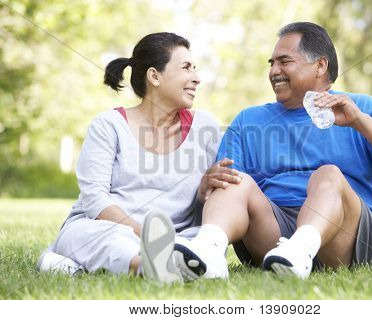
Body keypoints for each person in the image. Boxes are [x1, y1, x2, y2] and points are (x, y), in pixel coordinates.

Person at [173, 22, 372, 280]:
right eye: (271, 63)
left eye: (284, 61)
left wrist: (359, 121)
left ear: (320, 65)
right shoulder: (248, 120)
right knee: (233, 180)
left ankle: (302, 248)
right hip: (275, 237)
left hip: (346, 237)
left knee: (328, 174)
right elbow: (227, 196)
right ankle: (207, 253)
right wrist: (209, 188)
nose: (274, 71)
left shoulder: (362, 108)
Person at [37, 32, 242, 282]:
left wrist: (204, 191)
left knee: (198, 241)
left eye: (195, 68)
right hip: (108, 228)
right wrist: (146, 235)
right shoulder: (109, 125)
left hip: (179, 235)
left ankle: (160, 261)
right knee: (92, 236)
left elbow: (214, 201)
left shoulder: (205, 126)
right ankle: (148, 266)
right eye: (187, 67)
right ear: (154, 76)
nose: (197, 78)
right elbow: (95, 200)